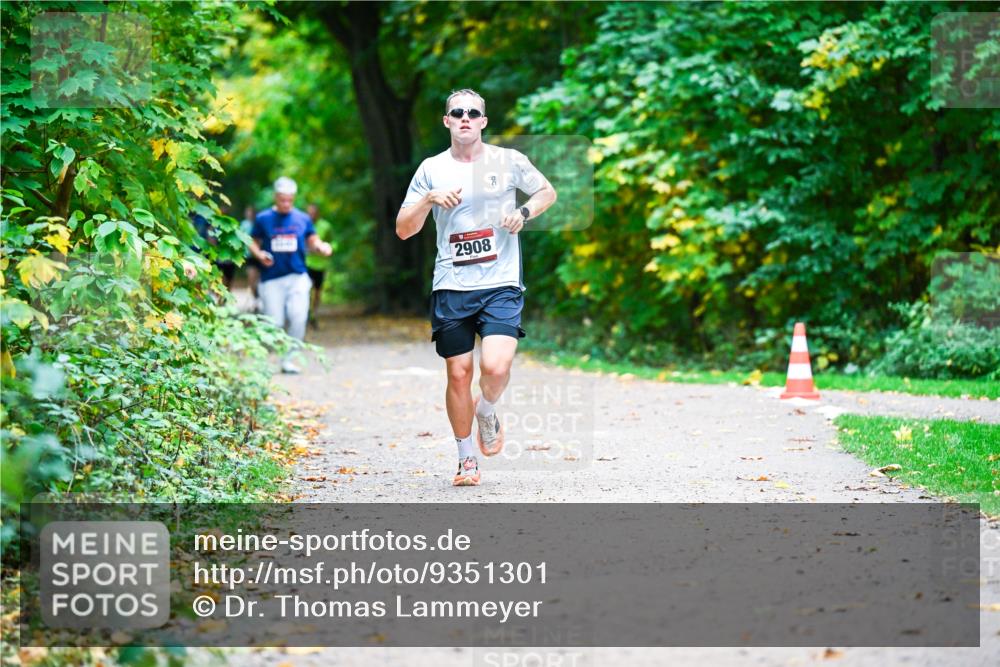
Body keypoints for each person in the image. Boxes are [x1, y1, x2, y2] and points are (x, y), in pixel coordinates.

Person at [396, 88, 557, 487]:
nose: (465, 117)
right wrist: (428, 199)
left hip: (501, 280)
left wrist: (523, 212)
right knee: (458, 373)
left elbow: (546, 192)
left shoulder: (508, 161)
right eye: (457, 112)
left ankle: (487, 408)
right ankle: (466, 459)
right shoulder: (431, 169)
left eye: (473, 112)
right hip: (452, 283)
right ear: (447, 121)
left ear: (483, 121)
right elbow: (403, 229)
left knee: (495, 367)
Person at [249, 177, 333, 374]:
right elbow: (252, 240)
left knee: (298, 317)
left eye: (289, 200)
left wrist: (321, 247)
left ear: (293, 198)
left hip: (297, 276)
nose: (286, 204)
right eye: (282, 200)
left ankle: (289, 359)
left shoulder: (302, 218)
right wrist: (259, 254)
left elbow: (312, 239)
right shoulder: (263, 218)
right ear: (275, 197)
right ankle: (267, 359)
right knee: (275, 322)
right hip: (271, 278)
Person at [304, 203, 335, 329]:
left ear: (318, 213)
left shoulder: (326, 226)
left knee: (317, 291)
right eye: (309, 213)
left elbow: (333, 242)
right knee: (306, 290)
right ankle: (304, 313)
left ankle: (314, 315)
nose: (311, 215)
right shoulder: (303, 224)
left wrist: (329, 248)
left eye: (313, 213)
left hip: (321, 264)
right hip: (306, 263)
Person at [240, 205, 261, 310]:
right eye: (247, 212)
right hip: (249, 256)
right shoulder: (244, 224)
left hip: (259, 256)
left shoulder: (259, 223)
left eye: (250, 212)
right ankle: (255, 299)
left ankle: (257, 300)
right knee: (251, 279)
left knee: (257, 280)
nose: (249, 214)